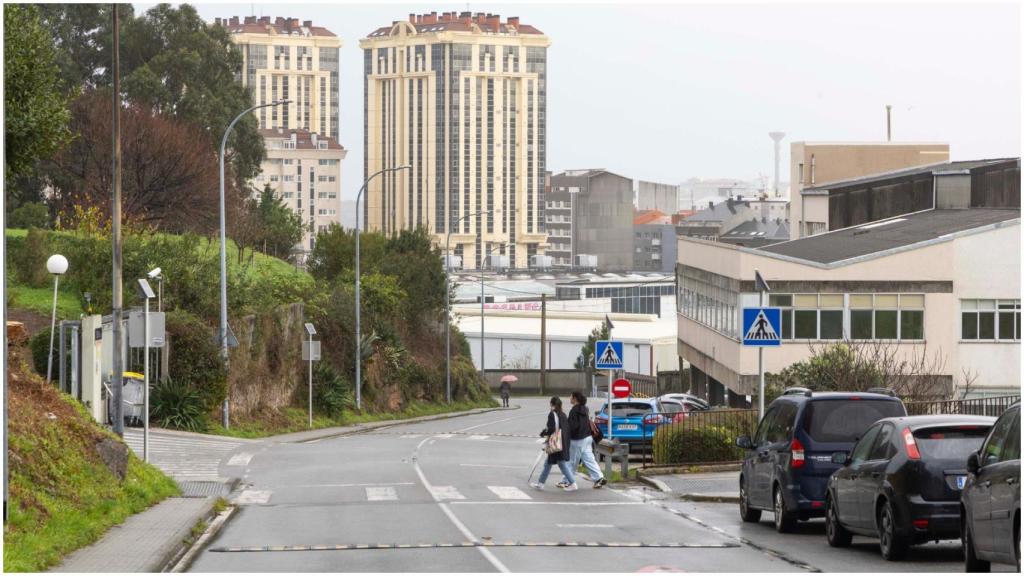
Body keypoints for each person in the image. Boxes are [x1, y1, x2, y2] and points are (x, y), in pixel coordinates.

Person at [531, 396, 577, 491]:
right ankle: (541, 483)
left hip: (556, 444)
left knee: (560, 464)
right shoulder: (563, 414)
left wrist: (544, 433)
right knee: (549, 463)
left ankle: (573, 483)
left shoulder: (552, 414)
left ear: (552, 404)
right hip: (563, 442)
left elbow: (551, 429)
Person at [568, 391, 607, 488]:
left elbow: (573, 426)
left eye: (571, 396)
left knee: (573, 461)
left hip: (578, 439)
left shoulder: (574, 411)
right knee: (589, 459)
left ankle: (567, 480)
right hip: (588, 438)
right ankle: (599, 478)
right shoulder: (585, 409)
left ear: (575, 399)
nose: (570, 398)